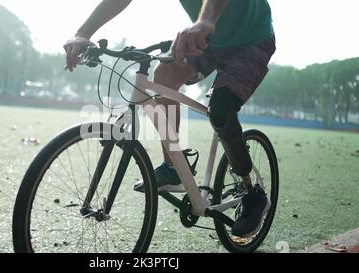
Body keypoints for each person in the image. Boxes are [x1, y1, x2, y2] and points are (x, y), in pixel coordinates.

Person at [63, 0, 276, 238]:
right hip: (209, 40)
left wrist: (205, 20)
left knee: (221, 111)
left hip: (252, 40)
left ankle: (252, 192)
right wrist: (83, 33)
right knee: (163, 76)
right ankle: (173, 167)